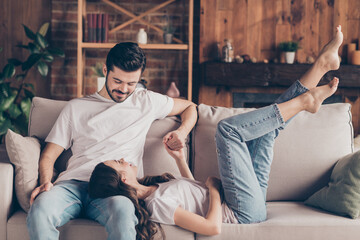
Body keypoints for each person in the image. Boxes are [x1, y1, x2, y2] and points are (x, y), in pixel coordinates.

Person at [88, 26, 343, 239]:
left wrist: (179, 160)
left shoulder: (153, 188)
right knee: (227, 130)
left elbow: (192, 191)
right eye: (118, 162)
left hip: (243, 200)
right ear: (122, 178)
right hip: (241, 211)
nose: (124, 159)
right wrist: (214, 189)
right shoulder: (156, 206)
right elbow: (212, 227)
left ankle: (320, 67)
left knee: (267, 128)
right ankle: (304, 101)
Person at [26, 42, 197, 240]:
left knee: (124, 212)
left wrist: (181, 133)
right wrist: (46, 182)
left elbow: (190, 107)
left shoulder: (145, 101)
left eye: (131, 83)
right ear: (105, 70)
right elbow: (49, 155)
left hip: (115, 188)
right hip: (72, 185)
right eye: (117, 81)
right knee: (40, 210)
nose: (124, 89)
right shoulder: (76, 108)